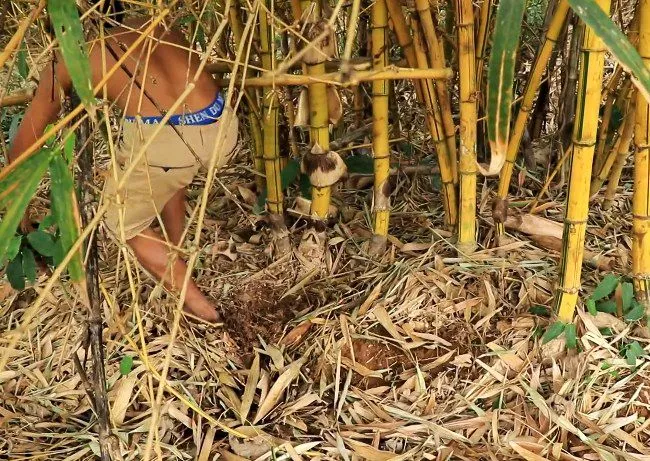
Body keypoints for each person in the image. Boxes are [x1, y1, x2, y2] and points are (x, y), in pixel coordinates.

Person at [6, 1, 238, 322]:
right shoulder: (157, 23)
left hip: (166, 146)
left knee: (122, 222)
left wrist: (18, 211)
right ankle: (177, 243)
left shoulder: (71, 60)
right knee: (168, 174)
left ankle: (203, 309)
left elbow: (24, 144)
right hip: (222, 125)